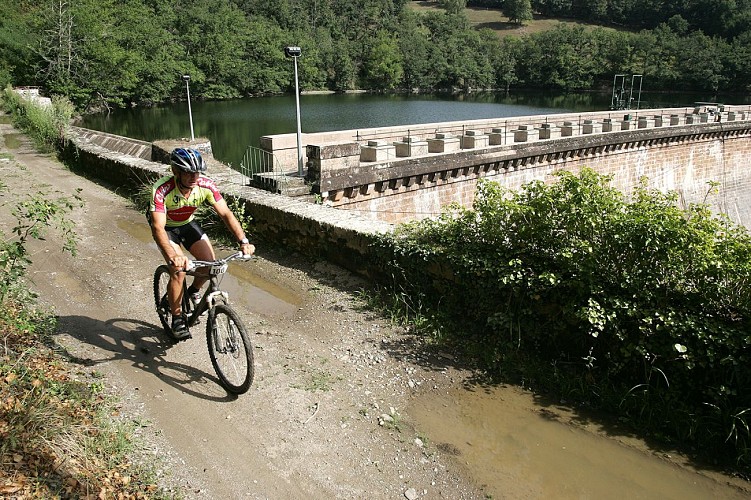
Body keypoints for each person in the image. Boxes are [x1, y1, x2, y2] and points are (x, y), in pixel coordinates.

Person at [148, 147, 255, 340]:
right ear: (176, 172)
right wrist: (174, 257)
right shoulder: (162, 189)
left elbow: (226, 214)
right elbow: (158, 228)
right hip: (166, 230)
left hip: (188, 224)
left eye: (196, 172)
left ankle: (191, 292)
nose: (193, 177)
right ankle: (177, 317)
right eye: (188, 173)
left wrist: (243, 241)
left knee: (210, 265)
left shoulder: (205, 186)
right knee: (178, 271)